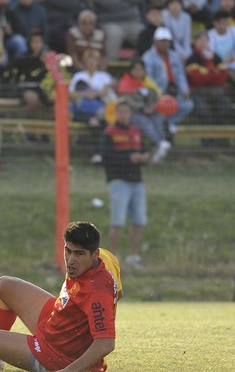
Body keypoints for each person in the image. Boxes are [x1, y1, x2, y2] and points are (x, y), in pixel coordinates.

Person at [0, 221, 121, 372]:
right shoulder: (96, 261)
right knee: (5, 285)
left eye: (79, 254)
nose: (71, 260)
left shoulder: (97, 291)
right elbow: (117, 291)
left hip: (56, 354)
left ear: (95, 255)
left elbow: (105, 343)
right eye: (67, 251)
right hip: (55, 320)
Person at [100, 99, 152, 268]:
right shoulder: (110, 132)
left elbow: (144, 150)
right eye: (120, 111)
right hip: (118, 181)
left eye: (126, 111)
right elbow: (106, 157)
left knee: (138, 221)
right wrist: (128, 158)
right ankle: (113, 258)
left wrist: (145, 157)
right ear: (116, 113)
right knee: (118, 221)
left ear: (130, 113)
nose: (124, 115)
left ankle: (133, 257)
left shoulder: (136, 132)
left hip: (137, 181)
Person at [142, 27, 194, 138]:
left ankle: (169, 123)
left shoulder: (174, 56)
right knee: (161, 108)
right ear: (155, 42)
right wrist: (158, 93)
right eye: (161, 41)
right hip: (158, 92)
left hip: (174, 91)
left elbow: (180, 75)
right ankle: (165, 127)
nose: (164, 44)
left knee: (188, 105)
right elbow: (148, 79)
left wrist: (184, 89)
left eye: (167, 41)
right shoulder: (148, 57)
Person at [69, 49, 116, 164]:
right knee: (95, 121)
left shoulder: (104, 76)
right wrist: (87, 94)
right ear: (85, 62)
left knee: (98, 122)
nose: (91, 64)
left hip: (101, 108)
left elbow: (108, 93)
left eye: (94, 61)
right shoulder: (78, 76)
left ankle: (101, 154)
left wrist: (95, 94)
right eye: (89, 61)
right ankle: (100, 153)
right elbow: (71, 94)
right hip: (82, 110)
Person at [117, 59, 171, 160]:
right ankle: (159, 143)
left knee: (157, 119)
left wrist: (153, 107)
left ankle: (160, 145)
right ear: (131, 70)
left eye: (140, 69)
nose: (138, 72)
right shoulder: (125, 82)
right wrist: (143, 108)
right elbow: (127, 100)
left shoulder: (148, 83)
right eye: (136, 69)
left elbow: (155, 98)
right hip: (133, 113)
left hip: (150, 112)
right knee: (143, 121)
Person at [185, 31, 235, 126]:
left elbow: (223, 77)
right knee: (204, 112)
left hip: (217, 91)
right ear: (195, 42)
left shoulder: (216, 57)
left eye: (205, 40)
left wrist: (207, 74)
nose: (203, 42)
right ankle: (208, 140)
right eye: (199, 40)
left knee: (226, 109)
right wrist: (213, 72)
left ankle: (223, 139)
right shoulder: (192, 59)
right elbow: (197, 79)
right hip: (199, 92)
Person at [207, 9, 235, 100]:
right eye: (222, 22)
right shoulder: (210, 35)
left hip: (234, 67)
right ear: (215, 23)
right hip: (219, 68)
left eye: (226, 22)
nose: (225, 25)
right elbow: (211, 57)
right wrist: (226, 72)